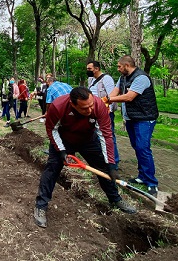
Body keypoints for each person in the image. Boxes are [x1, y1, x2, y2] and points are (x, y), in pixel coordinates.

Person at [33, 87, 137, 228]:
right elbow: (52, 129)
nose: (89, 110)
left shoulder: (98, 105)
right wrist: (62, 151)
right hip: (64, 140)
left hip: (88, 139)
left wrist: (111, 164)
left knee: (104, 168)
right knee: (52, 169)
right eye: (84, 108)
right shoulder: (58, 107)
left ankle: (115, 199)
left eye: (91, 105)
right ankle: (41, 206)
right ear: (73, 104)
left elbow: (106, 136)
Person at [108, 55, 159, 197]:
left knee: (143, 148)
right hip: (131, 118)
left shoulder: (141, 78)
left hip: (144, 118)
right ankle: (142, 176)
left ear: (127, 65)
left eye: (119, 66)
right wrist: (106, 101)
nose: (118, 69)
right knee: (137, 146)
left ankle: (151, 182)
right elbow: (116, 91)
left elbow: (129, 97)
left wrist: (108, 99)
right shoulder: (123, 78)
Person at [87, 60, 120, 170]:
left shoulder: (107, 79)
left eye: (89, 69)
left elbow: (112, 95)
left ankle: (113, 162)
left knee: (108, 136)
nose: (88, 71)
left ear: (96, 69)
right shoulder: (90, 79)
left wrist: (108, 109)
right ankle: (102, 158)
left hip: (105, 112)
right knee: (96, 135)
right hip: (93, 112)